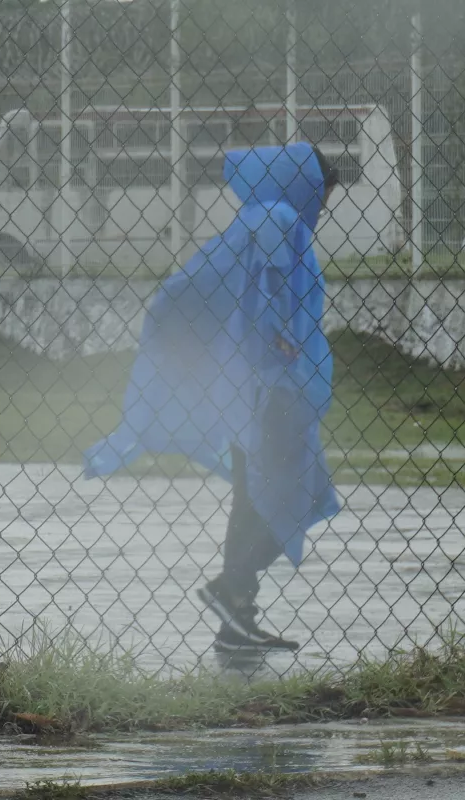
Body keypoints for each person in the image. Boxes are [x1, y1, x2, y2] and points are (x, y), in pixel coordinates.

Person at [84, 142, 341, 654]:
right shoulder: (277, 216)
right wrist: (279, 339)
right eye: (324, 193)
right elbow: (267, 292)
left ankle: (236, 617)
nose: (324, 206)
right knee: (292, 495)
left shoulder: (259, 217)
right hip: (271, 390)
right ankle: (231, 592)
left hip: (260, 386)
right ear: (302, 184)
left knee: (260, 495)